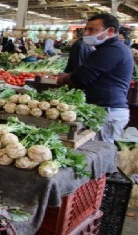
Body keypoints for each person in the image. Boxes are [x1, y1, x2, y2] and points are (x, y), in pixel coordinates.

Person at [57, 13, 133, 143]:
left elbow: (81, 79)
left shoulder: (111, 50)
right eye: (86, 29)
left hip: (106, 113)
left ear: (110, 31)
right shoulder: (109, 49)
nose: (86, 33)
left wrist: (65, 78)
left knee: (100, 152)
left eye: (92, 30)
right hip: (105, 111)